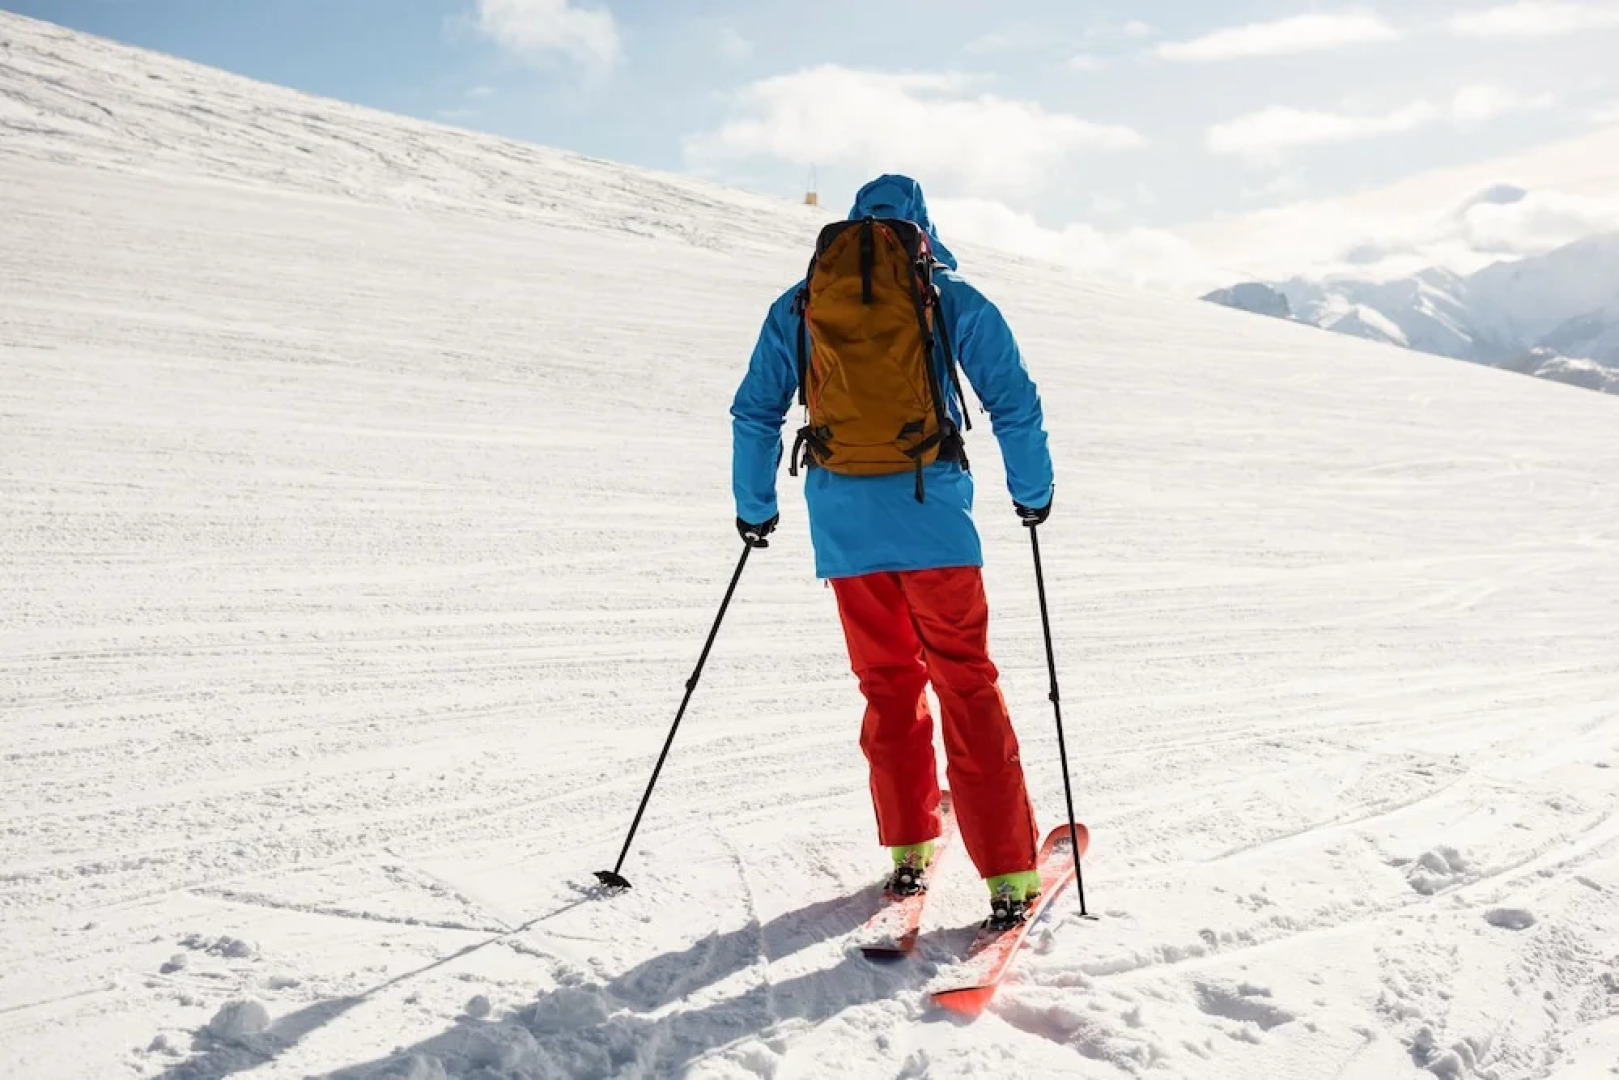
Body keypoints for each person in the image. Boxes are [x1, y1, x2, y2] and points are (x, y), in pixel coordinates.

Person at [730, 173, 1054, 923]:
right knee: (964, 682)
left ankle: (908, 847)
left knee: (886, 682)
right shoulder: (949, 298)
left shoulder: (803, 301)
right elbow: (1013, 401)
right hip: (934, 522)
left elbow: (756, 411)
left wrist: (755, 508)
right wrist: (1031, 492)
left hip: (843, 526)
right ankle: (1007, 871)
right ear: (921, 230)